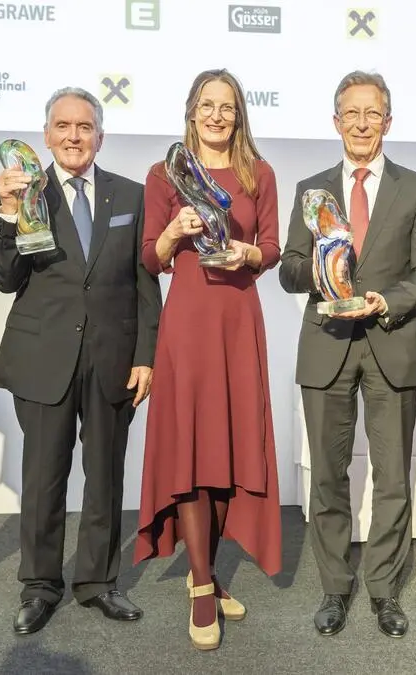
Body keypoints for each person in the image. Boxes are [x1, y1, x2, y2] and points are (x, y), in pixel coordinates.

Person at [0, 87, 161, 635]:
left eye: (84, 127)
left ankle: (96, 582)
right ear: (46, 136)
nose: (73, 136)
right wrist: (8, 214)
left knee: (105, 475)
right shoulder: (30, 196)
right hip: (43, 357)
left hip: (113, 358)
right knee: (43, 479)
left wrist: (145, 356)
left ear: (100, 137)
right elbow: (4, 277)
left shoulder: (130, 196)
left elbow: (145, 285)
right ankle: (39, 586)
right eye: (62, 126)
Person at [279, 71, 416, 639]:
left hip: (390, 343)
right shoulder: (311, 188)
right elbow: (287, 269)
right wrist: (324, 272)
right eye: (352, 113)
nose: (362, 123)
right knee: (327, 477)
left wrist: (385, 300)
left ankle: (384, 590)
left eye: (373, 113)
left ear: (388, 122)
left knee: (392, 476)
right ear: (336, 122)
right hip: (326, 347)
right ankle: (334, 588)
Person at [134, 68, 282, 651]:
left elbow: (270, 248)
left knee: (230, 447)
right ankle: (200, 585)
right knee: (193, 449)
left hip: (239, 319)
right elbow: (151, 256)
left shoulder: (259, 172)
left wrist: (248, 251)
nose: (217, 115)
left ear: (239, 114)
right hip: (190, 324)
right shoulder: (163, 173)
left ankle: (208, 569)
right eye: (207, 105)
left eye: (228, 107)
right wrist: (172, 232)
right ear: (191, 111)